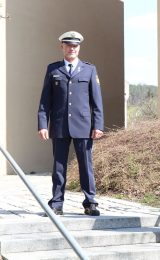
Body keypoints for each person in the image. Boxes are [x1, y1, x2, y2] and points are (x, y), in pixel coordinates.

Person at [37, 31, 104, 216]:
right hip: (59, 125)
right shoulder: (53, 69)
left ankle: (90, 202)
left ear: (79, 48)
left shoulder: (89, 69)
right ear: (62, 47)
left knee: (86, 165)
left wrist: (98, 125)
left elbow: (96, 100)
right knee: (59, 166)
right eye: (68, 45)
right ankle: (56, 203)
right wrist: (43, 123)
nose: (71, 48)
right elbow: (45, 101)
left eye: (75, 46)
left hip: (83, 126)